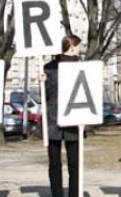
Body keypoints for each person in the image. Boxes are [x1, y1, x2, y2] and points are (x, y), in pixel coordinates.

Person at [45, 34, 82, 197]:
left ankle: (74, 193)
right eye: (79, 46)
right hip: (54, 118)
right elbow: (46, 94)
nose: (81, 49)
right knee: (55, 162)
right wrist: (42, 82)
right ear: (72, 46)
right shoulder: (49, 67)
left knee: (75, 163)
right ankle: (57, 194)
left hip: (74, 118)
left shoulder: (82, 67)